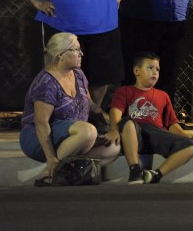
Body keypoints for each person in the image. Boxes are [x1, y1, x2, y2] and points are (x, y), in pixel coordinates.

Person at [19, 32, 120, 187]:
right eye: (76, 50)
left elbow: (92, 107)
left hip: (72, 135)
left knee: (113, 146)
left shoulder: (78, 74)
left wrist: (115, 125)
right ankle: (50, 172)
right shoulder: (47, 83)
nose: (81, 54)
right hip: (37, 137)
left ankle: (69, 172)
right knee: (88, 132)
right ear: (61, 55)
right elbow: (41, 123)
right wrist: (51, 157)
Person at [105, 52, 193, 184]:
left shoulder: (163, 95)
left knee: (190, 146)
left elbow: (171, 123)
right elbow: (115, 113)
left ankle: (155, 175)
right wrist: (114, 129)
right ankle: (135, 170)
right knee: (128, 123)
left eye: (157, 69)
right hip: (133, 133)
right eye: (150, 68)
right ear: (136, 71)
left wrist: (183, 134)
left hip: (155, 134)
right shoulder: (124, 91)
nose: (155, 72)